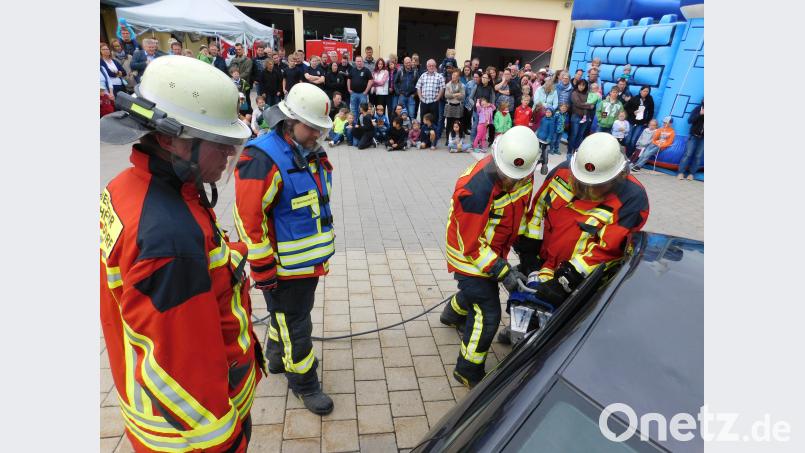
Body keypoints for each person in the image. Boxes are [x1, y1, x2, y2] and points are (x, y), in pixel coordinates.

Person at [99, 56, 259, 452]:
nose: (227, 157)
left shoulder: (129, 186)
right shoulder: (168, 237)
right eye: (220, 145)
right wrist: (226, 443)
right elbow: (182, 367)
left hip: (167, 415)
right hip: (189, 435)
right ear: (172, 139)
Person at [233, 82, 336, 415]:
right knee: (298, 327)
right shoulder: (262, 157)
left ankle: (276, 358)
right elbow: (249, 221)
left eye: (322, 128)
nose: (318, 134)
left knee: (286, 318)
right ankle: (304, 384)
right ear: (290, 120)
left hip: (305, 265)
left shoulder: (307, 150)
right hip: (283, 269)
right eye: (313, 127)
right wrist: (262, 270)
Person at [439, 126, 540, 388]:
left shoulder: (521, 172)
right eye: (507, 176)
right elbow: (471, 244)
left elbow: (517, 211)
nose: (512, 182)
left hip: (493, 251)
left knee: (478, 293)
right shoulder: (476, 188)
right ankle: (468, 370)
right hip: (468, 256)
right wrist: (503, 271)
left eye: (518, 177)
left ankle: (451, 314)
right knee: (488, 312)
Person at [511, 132, 649, 313]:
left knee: (565, 318)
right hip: (544, 263)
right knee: (525, 302)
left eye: (597, 184)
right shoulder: (561, 173)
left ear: (617, 176)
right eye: (582, 182)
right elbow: (537, 212)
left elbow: (608, 249)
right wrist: (529, 253)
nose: (588, 188)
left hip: (581, 277)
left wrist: (567, 279)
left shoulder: (631, 198)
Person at [624, 86, 655, 157]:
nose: (645, 93)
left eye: (647, 91)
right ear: (641, 91)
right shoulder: (635, 98)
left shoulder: (649, 99)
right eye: (644, 91)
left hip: (640, 123)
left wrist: (647, 121)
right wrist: (633, 112)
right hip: (632, 121)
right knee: (628, 139)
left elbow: (651, 111)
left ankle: (629, 156)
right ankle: (624, 154)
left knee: (633, 140)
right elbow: (626, 107)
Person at [677, 102, 704, 181]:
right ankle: (680, 172)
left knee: (698, 156)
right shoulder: (698, 109)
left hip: (703, 138)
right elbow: (690, 121)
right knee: (688, 154)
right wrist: (700, 114)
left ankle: (692, 174)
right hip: (693, 136)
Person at [416, 59, 446, 129]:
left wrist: (438, 98)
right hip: (424, 102)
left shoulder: (439, 76)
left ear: (435, 66)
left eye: (433, 65)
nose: (431, 67)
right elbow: (418, 87)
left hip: (434, 102)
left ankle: (433, 136)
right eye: (429, 66)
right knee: (423, 119)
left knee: (434, 120)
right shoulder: (423, 75)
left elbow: (442, 88)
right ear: (427, 66)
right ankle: (424, 134)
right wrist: (420, 98)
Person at [569, 79, 595, 157]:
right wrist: (589, 105)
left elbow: (592, 102)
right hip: (576, 116)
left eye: (583, 85)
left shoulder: (588, 94)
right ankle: (570, 151)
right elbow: (578, 104)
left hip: (586, 117)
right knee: (574, 134)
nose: (581, 87)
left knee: (580, 135)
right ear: (577, 85)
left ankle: (576, 151)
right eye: (580, 85)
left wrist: (590, 105)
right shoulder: (574, 93)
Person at [443, 69, 466, 145]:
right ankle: (447, 139)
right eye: (453, 75)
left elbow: (462, 97)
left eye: (456, 76)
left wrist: (452, 95)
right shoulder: (448, 84)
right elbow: (446, 95)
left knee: (458, 124)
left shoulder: (462, 85)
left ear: (458, 77)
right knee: (449, 124)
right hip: (450, 106)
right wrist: (456, 94)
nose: (454, 77)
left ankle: (458, 139)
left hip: (458, 106)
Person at [536, 107, 557, 175]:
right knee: (537, 148)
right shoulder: (543, 119)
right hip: (540, 137)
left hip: (545, 139)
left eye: (549, 112)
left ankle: (544, 162)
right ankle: (536, 158)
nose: (547, 113)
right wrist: (537, 133)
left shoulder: (552, 121)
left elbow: (551, 131)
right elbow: (540, 127)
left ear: (552, 113)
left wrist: (549, 138)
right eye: (547, 112)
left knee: (544, 151)